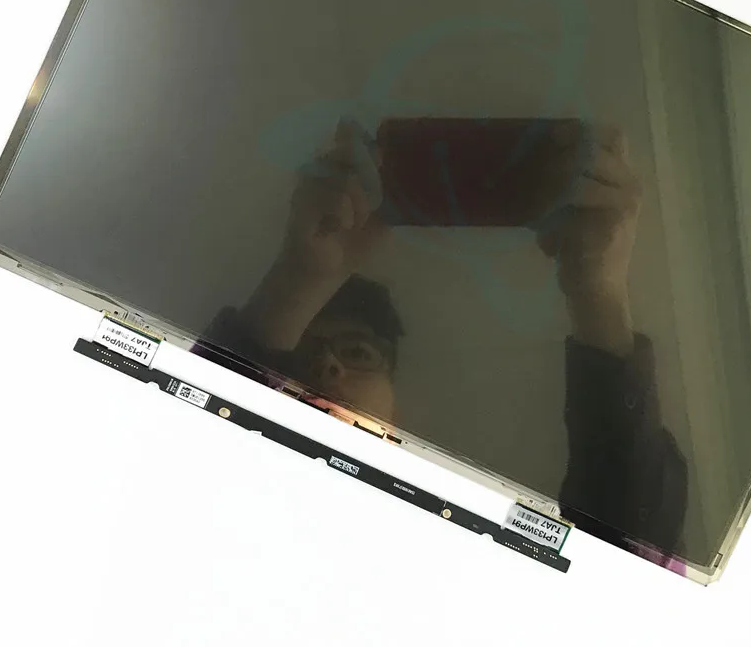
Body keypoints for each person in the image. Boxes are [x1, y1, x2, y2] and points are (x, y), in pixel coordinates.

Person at [193, 118, 687, 558]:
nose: (328, 367)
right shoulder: (224, 519)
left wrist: (599, 295)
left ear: (396, 417)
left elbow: (630, 574)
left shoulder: (462, 542)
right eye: (299, 359)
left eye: (358, 352)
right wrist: (297, 282)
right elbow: (182, 451)